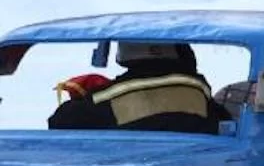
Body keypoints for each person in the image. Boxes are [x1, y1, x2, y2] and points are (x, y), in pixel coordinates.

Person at [48, 42, 229, 134]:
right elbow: (225, 122)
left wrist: (86, 96)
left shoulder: (116, 95)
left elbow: (60, 122)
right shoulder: (198, 90)